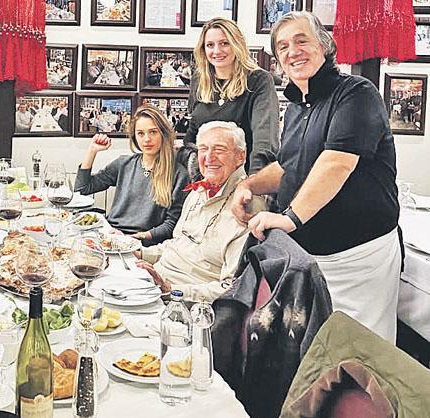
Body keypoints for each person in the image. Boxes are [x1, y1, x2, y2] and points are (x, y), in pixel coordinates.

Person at [232, 12, 401, 342]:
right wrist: (248, 184)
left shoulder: (356, 93)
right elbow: (287, 166)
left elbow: (336, 164)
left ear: (324, 45)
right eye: (283, 47)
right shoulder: (296, 106)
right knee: (316, 353)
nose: (292, 51)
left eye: (301, 41)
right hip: (311, 259)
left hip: (359, 258)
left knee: (361, 353)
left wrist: (289, 218)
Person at [135, 121, 266, 300]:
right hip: (152, 282)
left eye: (219, 149)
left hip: (184, 301)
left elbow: (233, 288)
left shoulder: (248, 207)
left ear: (240, 156)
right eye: (203, 149)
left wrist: (170, 290)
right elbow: (176, 245)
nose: (209, 157)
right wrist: (139, 252)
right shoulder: (198, 191)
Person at [75, 105, 187, 246]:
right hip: (110, 236)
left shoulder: (179, 174)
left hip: (143, 246)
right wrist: (92, 150)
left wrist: (131, 237)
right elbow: (82, 189)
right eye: (140, 133)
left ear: (163, 134)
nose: (147, 139)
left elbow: (171, 225)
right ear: (134, 136)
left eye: (153, 132)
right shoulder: (123, 164)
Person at [182, 17, 279, 174]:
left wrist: (254, 181)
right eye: (210, 45)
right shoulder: (199, 80)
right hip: (206, 176)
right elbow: (192, 134)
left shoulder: (258, 80)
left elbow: (264, 140)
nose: (217, 51)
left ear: (237, 44)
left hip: (244, 175)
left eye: (224, 43)